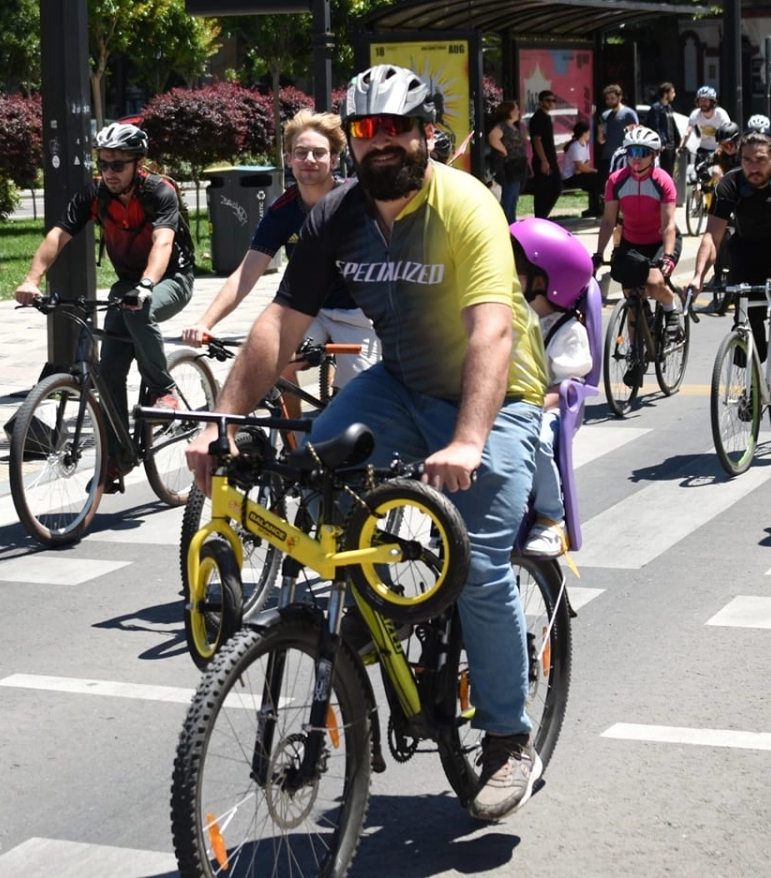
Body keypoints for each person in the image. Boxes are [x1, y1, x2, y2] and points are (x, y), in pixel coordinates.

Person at [184, 64, 551, 822]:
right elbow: (281, 321)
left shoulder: (465, 205)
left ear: (428, 137)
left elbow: (492, 329)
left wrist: (469, 439)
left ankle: (509, 737)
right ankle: (360, 619)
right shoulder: (337, 215)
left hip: (495, 398)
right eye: (366, 130)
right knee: (313, 460)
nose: (381, 143)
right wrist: (221, 418)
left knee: (479, 561)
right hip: (403, 386)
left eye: (397, 130)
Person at [16, 122, 196, 483]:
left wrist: (146, 285)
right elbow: (58, 234)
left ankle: (165, 390)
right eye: (103, 163)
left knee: (139, 309)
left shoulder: (160, 192)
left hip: (170, 279)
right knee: (110, 369)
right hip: (126, 285)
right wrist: (32, 279)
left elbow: (162, 243)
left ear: (137, 163)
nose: (109, 172)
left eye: (118, 164)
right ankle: (119, 454)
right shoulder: (96, 195)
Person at [180, 111, 376, 386]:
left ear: (333, 160)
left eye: (319, 153)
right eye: (301, 152)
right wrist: (205, 322)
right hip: (306, 311)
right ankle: (294, 430)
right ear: (288, 159)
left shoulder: (358, 200)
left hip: (358, 313)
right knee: (276, 362)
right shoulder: (282, 211)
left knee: (357, 398)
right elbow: (245, 275)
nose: (309, 159)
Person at [689, 132, 771, 389]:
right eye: (747, 160)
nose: (753, 167)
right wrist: (698, 276)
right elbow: (712, 236)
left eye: (761, 160)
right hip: (749, 244)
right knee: (746, 306)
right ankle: (754, 383)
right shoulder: (729, 184)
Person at [508, 216, 593, 560]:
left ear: (542, 282)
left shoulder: (566, 330)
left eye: (516, 271)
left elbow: (566, 386)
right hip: (509, 404)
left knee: (537, 437)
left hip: (549, 409)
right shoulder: (510, 317)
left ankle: (549, 517)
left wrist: (529, 408)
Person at [595, 126, 681, 387]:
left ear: (654, 155)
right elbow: (609, 221)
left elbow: (668, 225)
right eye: (632, 152)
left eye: (643, 153)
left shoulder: (663, 181)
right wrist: (599, 253)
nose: (637, 158)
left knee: (655, 283)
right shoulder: (616, 181)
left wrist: (667, 257)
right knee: (633, 295)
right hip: (632, 241)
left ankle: (671, 310)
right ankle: (635, 354)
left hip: (660, 240)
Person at [593, 84, 640, 215]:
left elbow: (635, 133)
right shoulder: (605, 115)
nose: (609, 101)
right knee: (607, 185)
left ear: (619, 97)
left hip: (623, 156)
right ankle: (609, 211)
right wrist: (600, 133)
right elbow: (601, 140)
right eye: (607, 98)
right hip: (607, 155)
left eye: (612, 98)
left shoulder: (628, 114)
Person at [485, 99, 529, 223]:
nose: (518, 112)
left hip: (517, 167)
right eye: (515, 109)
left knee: (513, 197)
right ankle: (509, 224)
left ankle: (511, 222)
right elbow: (493, 137)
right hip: (508, 167)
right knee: (509, 197)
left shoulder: (512, 126)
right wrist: (503, 150)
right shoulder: (502, 125)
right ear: (508, 112)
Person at [527, 89, 562, 219]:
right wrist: (544, 160)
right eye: (548, 100)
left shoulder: (546, 117)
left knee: (554, 188)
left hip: (549, 158)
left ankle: (542, 217)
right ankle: (540, 217)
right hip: (543, 159)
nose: (551, 103)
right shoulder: (538, 117)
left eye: (553, 100)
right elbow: (537, 140)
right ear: (541, 102)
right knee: (547, 189)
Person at [640, 83, 680, 183]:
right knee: (662, 174)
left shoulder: (669, 108)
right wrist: (660, 143)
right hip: (662, 148)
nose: (674, 95)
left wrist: (678, 142)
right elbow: (655, 126)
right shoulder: (656, 108)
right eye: (672, 92)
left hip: (671, 146)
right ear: (666, 94)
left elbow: (672, 126)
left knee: (670, 174)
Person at [685, 85, 733, 168]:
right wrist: (681, 146)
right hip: (703, 150)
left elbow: (727, 131)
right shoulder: (696, 114)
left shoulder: (720, 114)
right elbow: (688, 131)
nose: (703, 103)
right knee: (697, 175)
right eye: (701, 100)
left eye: (706, 100)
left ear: (712, 102)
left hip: (719, 150)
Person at [556, 119, 597, 215]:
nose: (589, 134)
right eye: (588, 132)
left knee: (596, 183)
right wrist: (593, 170)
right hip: (569, 178)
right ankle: (597, 211)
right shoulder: (574, 146)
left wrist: (582, 168)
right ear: (583, 133)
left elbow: (585, 163)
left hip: (579, 175)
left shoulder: (585, 145)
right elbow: (580, 167)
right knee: (596, 178)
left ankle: (596, 210)